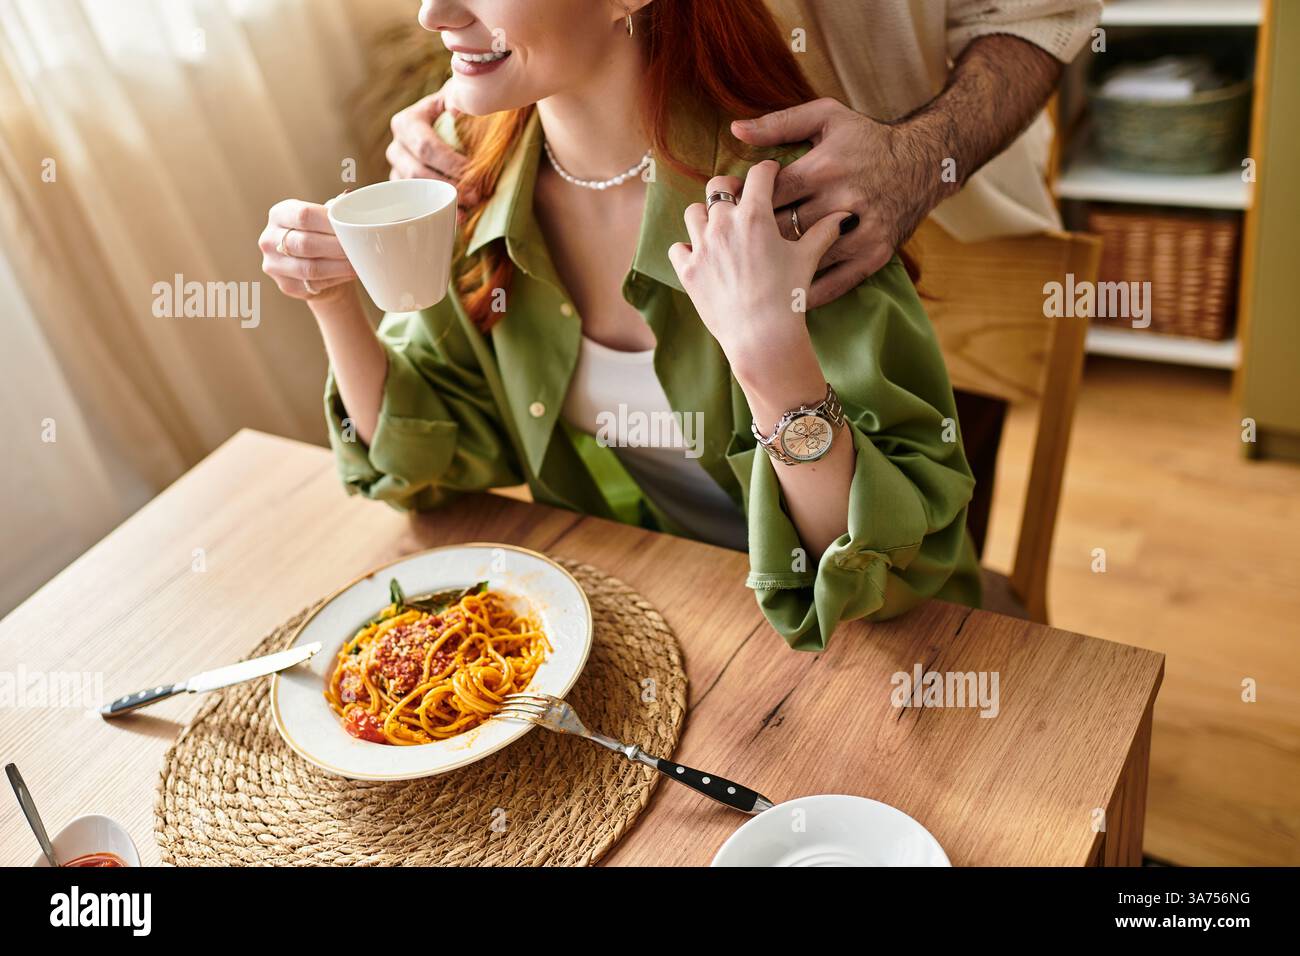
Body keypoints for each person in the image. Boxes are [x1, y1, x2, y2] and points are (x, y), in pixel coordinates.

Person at [259, 0, 980, 652]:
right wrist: (329, 296)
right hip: (649, 624)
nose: (432, 14)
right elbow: (425, 461)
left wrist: (771, 359)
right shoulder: (463, 173)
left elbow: (873, 573)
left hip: (874, 654)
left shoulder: (787, 195)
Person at [385, 0, 1102, 554]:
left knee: (906, 570)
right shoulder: (488, 185)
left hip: (910, 197)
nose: (427, 14)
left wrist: (919, 157)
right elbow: (433, 444)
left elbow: (1037, 13)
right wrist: (478, 87)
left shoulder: (775, 199)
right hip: (666, 116)